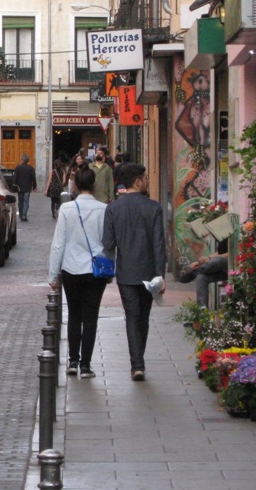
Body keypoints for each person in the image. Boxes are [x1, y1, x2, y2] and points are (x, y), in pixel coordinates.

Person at [103, 163, 167, 381]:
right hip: (149, 272)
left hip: (126, 272)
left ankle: (137, 365)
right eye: (146, 177)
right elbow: (159, 244)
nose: (148, 180)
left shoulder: (113, 209)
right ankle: (139, 360)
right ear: (138, 181)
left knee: (132, 316)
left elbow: (108, 243)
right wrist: (161, 274)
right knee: (143, 317)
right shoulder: (154, 207)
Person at [49, 165, 109, 378]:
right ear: (94, 185)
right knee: (91, 317)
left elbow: (58, 244)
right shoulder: (103, 209)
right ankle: (86, 366)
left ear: (75, 184)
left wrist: (53, 274)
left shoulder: (66, 209)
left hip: (71, 269)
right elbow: (108, 243)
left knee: (74, 315)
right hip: (95, 272)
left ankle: (72, 362)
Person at [179, 238, 229, 307]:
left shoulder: (234, 231)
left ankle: (195, 272)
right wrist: (204, 260)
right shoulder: (223, 235)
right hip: (224, 271)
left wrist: (209, 259)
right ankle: (202, 313)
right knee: (201, 277)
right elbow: (219, 253)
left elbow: (232, 253)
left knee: (219, 260)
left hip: (234, 266)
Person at [12, 153, 37, 221]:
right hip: (27, 187)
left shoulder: (18, 167)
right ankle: (24, 215)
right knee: (26, 201)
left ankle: (21, 214)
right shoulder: (31, 168)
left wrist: (14, 184)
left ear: (22, 159)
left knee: (20, 201)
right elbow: (33, 178)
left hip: (19, 187)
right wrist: (34, 186)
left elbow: (15, 178)